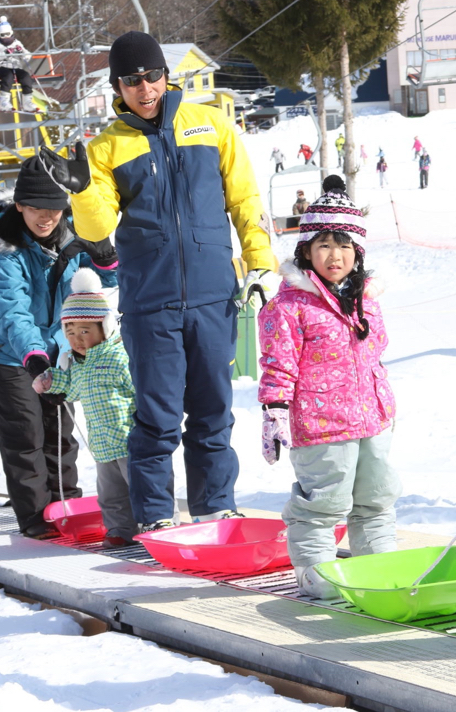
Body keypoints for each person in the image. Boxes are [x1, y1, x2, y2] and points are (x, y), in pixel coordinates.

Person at [40, 31, 278, 534]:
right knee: (156, 417)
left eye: (151, 75)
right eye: (131, 80)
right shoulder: (105, 148)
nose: (144, 87)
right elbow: (97, 229)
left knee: (213, 412)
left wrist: (261, 261)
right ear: (117, 86)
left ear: (166, 76)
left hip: (214, 295)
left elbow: (245, 199)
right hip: (152, 303)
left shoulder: (211, 124)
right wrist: (82, 190)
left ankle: (215, 506)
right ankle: (155, 518)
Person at [257, 175, 400, 600]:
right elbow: (277, 363)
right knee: (323, 503)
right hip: (320, 423)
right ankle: (314, 571)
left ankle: (377, 565)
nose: (334, 255)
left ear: (357, 251)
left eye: (343, 246)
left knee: (375, 497)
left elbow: (374, 354)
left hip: (372, 418)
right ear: (306, 251)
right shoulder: (290, 306)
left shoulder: (365, 300)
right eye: (323, 245)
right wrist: (274, 410)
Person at [0, 155, 118, 538]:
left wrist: (105, 257)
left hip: (56, 346)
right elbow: (12, 313)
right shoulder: (4, 250)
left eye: (53, 209)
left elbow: (112, 276)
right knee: (26, 431)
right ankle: (36, 518)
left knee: (60, 428)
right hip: (8, 352)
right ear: (19, 206)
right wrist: (34, 359)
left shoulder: (73, 235)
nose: (45, 218)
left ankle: (66, 503)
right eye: (35, 208)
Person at [32, 268, 142, 548]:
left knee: (145, 489)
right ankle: (120, 530)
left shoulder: (120, 357)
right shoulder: (78, 363)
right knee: (111, 495)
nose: (76, 338)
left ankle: (155, 527)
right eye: (69, 332)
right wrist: (50, 381)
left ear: (104, 327)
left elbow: (142, 389)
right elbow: (72, 386)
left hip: (132, 442)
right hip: (103, 445)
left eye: (84, 331)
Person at [0, 15, 36, 113]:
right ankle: (4, 102)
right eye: (2, 35)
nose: (5, 37)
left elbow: (27, 54)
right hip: (0, 67)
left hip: (15, 66)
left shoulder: (17, 43)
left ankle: (27, 102)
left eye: (7, 34)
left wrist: (22, 53)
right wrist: (5, 53)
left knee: (25, 76)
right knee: (8, 76)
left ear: (11, 32)